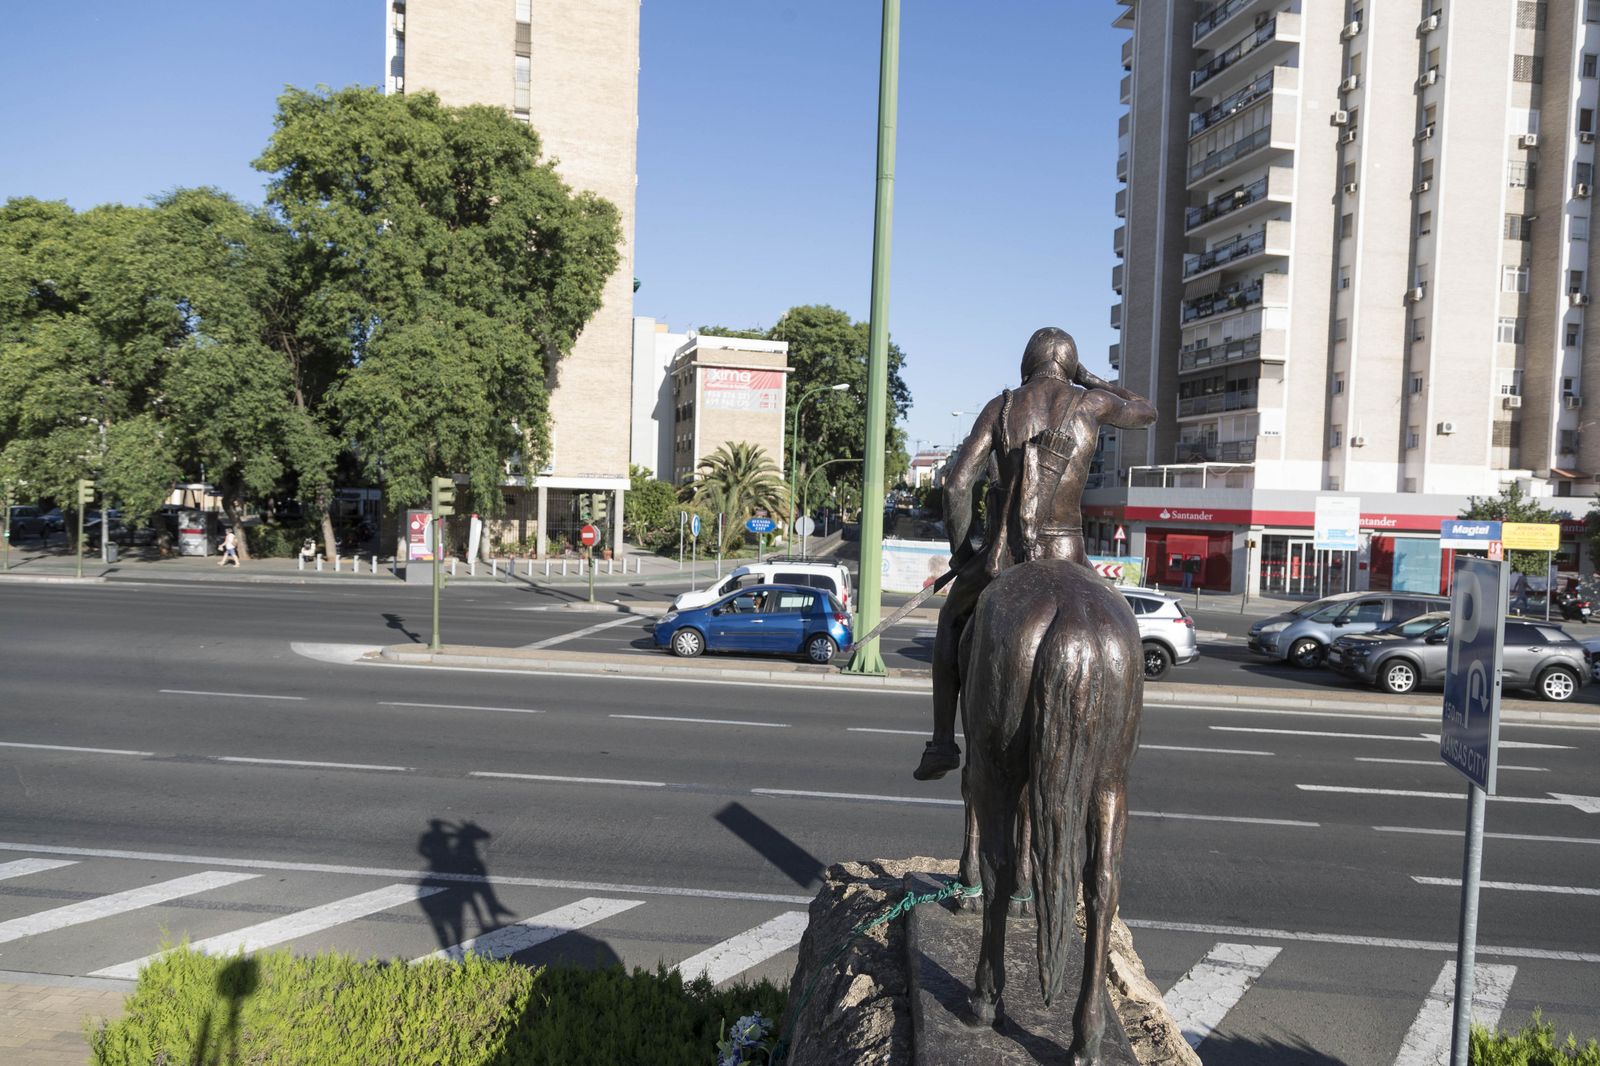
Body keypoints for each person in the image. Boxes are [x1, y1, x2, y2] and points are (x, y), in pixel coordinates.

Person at [913, 327, 1157, 781]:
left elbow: (957, 484)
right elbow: (1146, 410)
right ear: (1070, 366)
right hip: (1069, 553)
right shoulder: (1091, 402)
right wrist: (1094, 379)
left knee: (951, 620)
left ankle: (942, 742)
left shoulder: (1001, 407)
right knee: (1112, 619)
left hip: (1006, 558)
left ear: (1027, 363)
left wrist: (963, 554)